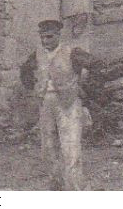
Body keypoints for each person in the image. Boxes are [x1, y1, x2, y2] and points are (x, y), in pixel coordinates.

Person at [18, 19, 95, 190]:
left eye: (49, 37)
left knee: (71, 146)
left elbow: (95, 65)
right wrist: (34, 88)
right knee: (48, 147)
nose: (45, 41)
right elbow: (24, 71)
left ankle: (75, 189)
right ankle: (56, 187)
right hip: (46, 102)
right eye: (43, 38)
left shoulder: (72, 52)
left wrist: (84, 89)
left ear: (58, 36)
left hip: (68, 102)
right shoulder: (37, 54)